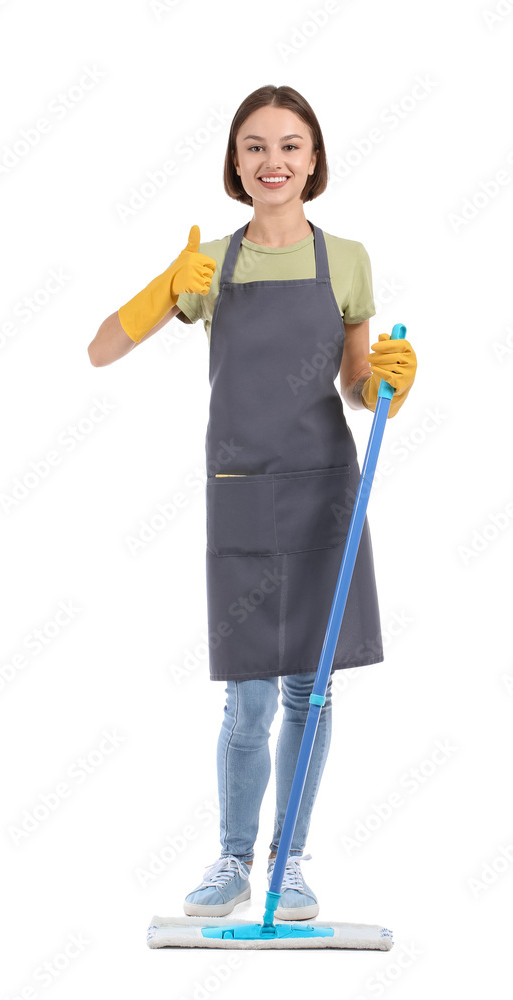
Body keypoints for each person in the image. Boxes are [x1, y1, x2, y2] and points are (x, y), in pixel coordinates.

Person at [88, 84, 417, 922]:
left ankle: (290, 863)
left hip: (321, 493)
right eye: (255, 147)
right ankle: (233, 860)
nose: (273, 161)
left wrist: (385, 385)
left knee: (310, 688)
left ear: (314, 160)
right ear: (235, 164)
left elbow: (351, 381)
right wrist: (166, 285)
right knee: (248, 695)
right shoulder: (215, 264)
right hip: (238, 494)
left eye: (290, 145)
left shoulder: (346, 258)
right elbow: (100, 351)